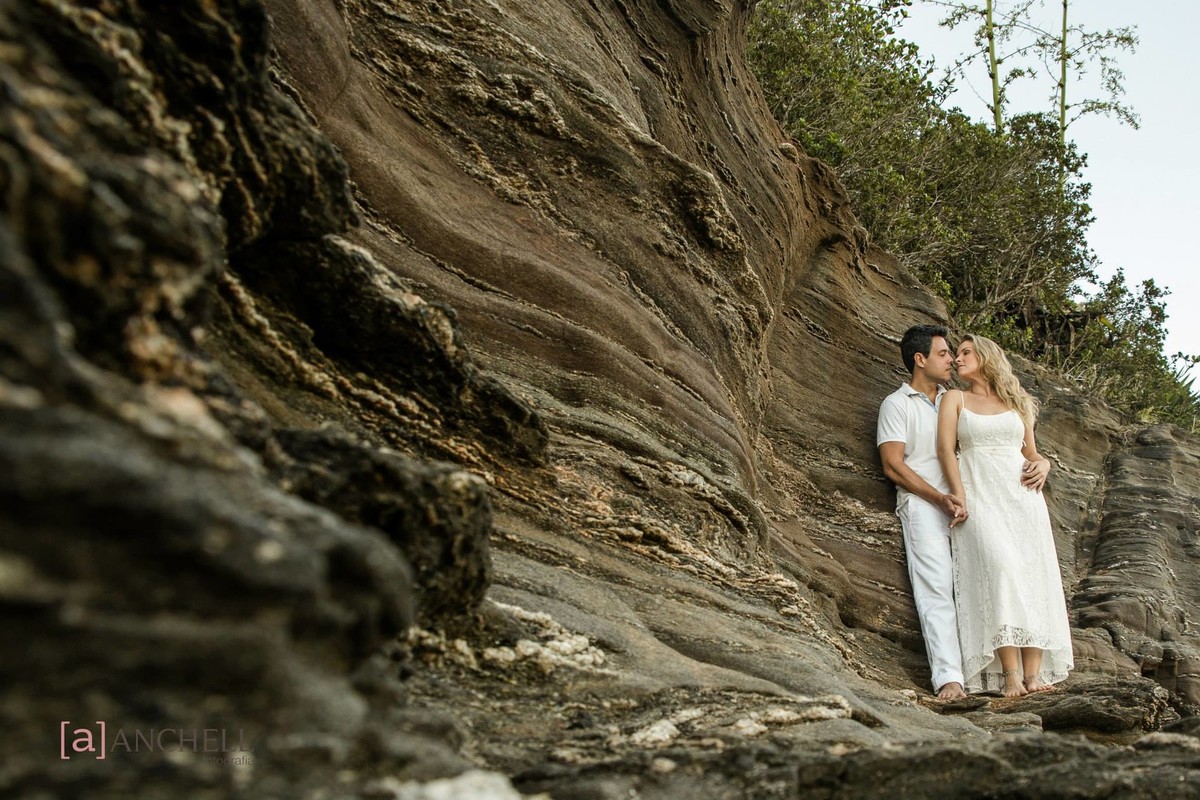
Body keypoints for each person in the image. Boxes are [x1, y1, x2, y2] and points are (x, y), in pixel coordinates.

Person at [936, 333, 1073, 697]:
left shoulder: (1018, 402)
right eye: (956, 353)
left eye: (965, 352)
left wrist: (1044, 464)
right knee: (1000, 571)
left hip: (1023, 499)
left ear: (986, 357)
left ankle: (1034, 675)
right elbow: (946, 451)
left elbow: (1031, 452)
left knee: (1032, 578)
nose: (957, 359)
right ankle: (1009, 675)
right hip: (980, 495)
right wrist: (959, 496)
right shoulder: (955, 399)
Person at [877, 325, 971, 700]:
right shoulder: (896, 404)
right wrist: (937, 497)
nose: (952, 360)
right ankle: (950, 678)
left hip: (966, 503)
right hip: (923, 507)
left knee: (976, 584)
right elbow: (893, 465)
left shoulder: (958, 401)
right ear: (920, 359)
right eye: (944, 353)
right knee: (936, 587)